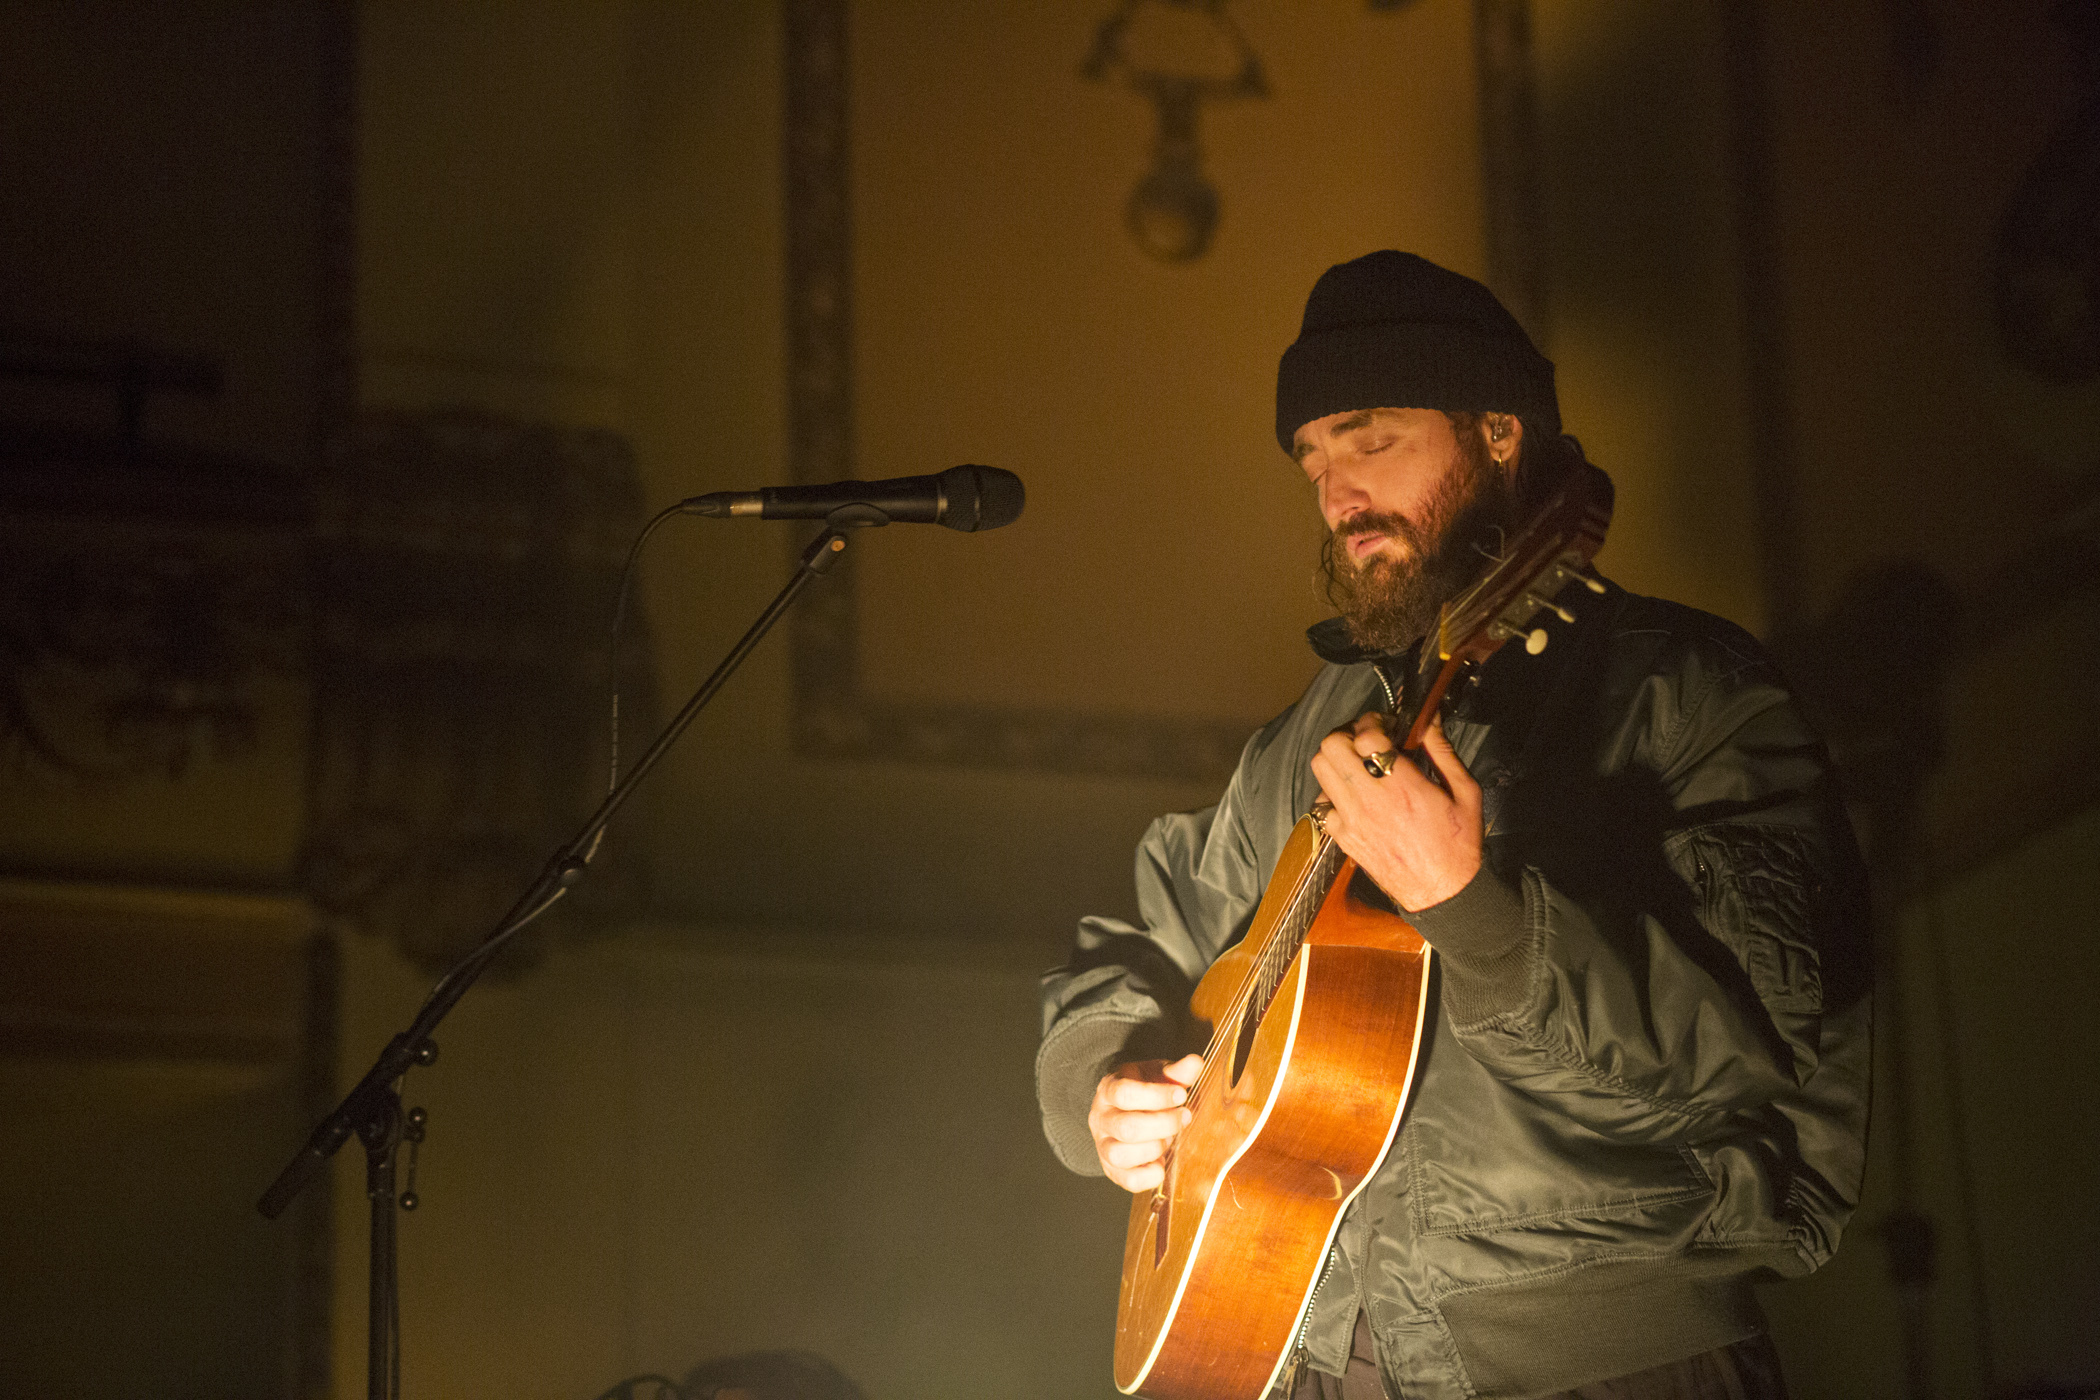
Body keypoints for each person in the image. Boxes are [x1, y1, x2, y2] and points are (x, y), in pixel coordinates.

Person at [1034, 251, 1871, 1400]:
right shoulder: (1299, 744)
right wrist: (1097, 1078)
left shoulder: (1688, 688)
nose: (1336, 492)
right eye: (1313, 459)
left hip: (1606, 1362)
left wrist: (1476, 911)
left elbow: (1749, 1051)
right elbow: (1135, 938)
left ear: (1498, 432)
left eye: (1369, 438)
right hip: (1306, 1354)